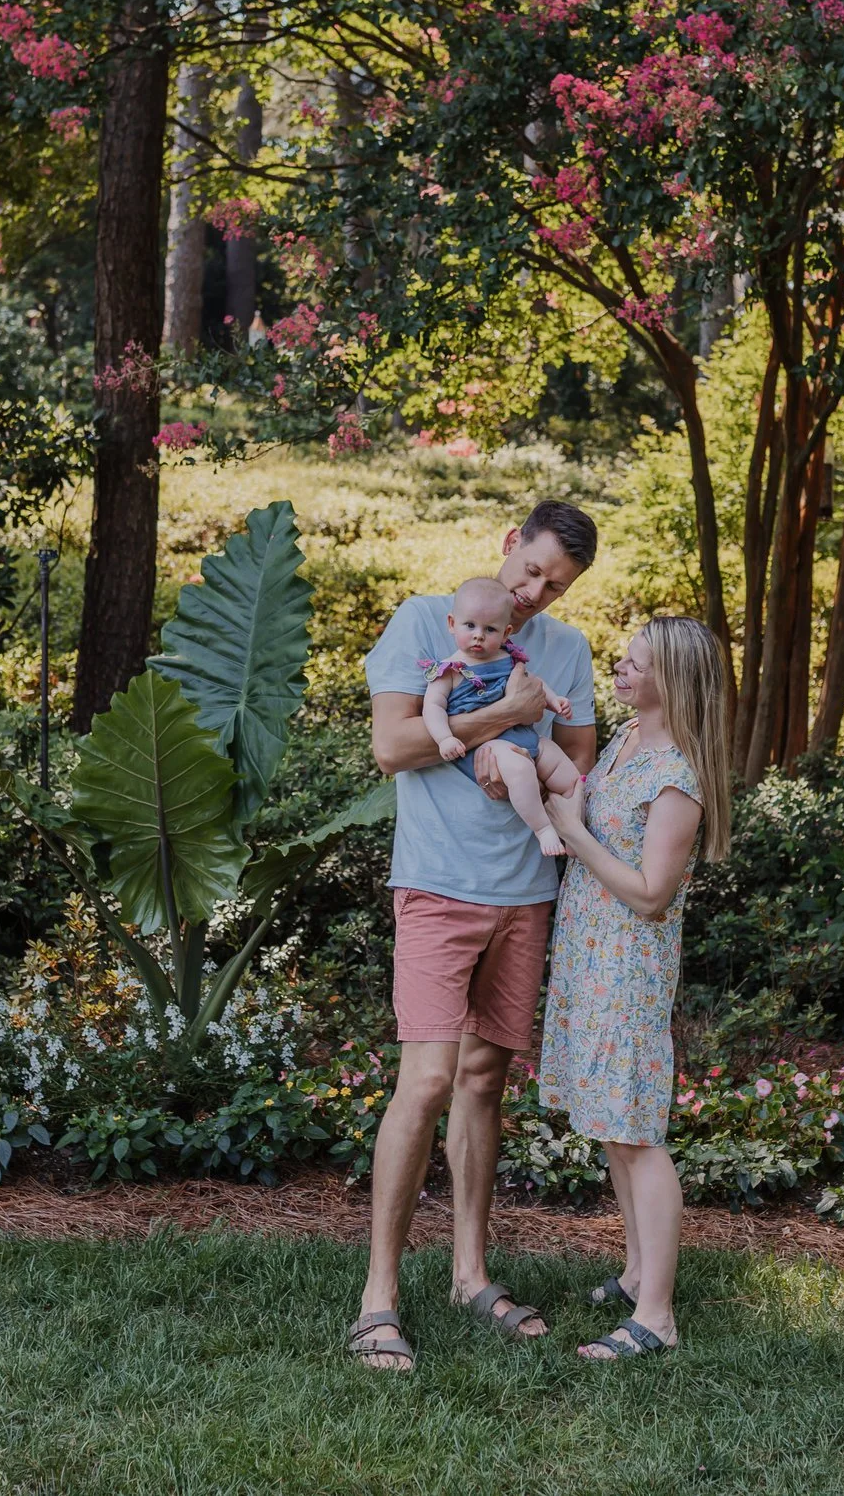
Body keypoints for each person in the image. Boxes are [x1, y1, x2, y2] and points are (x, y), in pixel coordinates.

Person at [346, 501, 600, 1373]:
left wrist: (531, 772)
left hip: (526, 891)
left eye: (553, 586)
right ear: (507, 545)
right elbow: (392, 745)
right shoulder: (429, 620)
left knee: (485, 1079)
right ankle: (379, 1296)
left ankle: (468, 1274)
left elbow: (581, 761)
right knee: (425, 1080)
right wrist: (501, 720)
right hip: (437, 886)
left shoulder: (567, 649)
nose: (533, 595)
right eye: (528, 572)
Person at [538, 615, 732, 1362]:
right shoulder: (624, 745)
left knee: (638, 1135)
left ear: (672, 682)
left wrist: (575, 835)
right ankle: (635, 1272)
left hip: (627, 968)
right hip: (590, 959)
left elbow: (652, 894)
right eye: (623, 657)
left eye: (636, 663)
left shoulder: (676, 776)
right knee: (615, 1132)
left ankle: (657, 1316)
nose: (619, 668)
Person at [418, 576, 583, 855]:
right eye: (469, 625)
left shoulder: (508, 658)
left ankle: (576, 826)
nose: (478, 635)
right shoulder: (449, 669)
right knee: (519, 770)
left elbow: (534, 683)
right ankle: (543, 829)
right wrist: (445, 738)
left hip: (524, 736)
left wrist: (554, 701)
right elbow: (432, 707)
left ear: (506, 633)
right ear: (451, 624)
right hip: (488, 745)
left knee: (567, 771)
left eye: (490, 629)